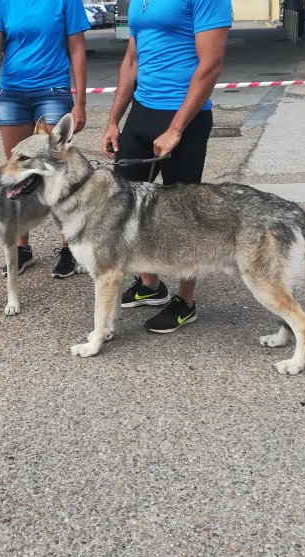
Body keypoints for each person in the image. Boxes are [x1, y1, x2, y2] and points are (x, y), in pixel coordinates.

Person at [101, 0, 231, 333]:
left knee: (185, 215)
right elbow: (132, 59)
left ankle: (186, 301)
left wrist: (176, 128)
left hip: (185, 116)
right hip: (142, 111)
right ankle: (150, 284)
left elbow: (211, 63)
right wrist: (114, 120)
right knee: (126, 205)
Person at [0, 0, 90, 279]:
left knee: (58, 172)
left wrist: (80, 102)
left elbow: (77, 47)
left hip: (53, 88)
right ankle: (22, 247)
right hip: (12, 92)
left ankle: (69, 246)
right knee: (16, 173)